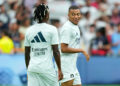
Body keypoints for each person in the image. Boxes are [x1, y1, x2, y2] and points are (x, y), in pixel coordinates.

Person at [24, 4, 63, 86]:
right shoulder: (52, 29)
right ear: (46, 15)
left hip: (32, 68)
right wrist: (59, 69)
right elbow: (56, 51)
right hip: (47, 69)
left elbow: (27, 53)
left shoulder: (29, 30)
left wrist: (28, 70)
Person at [60, 5, 90, 86]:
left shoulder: (75, 26)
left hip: (72, 65)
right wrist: (82, 50)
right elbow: (63, 48)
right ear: (68, 15)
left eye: (78, 14)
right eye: (73, 14)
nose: (76, 16)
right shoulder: (67, 28)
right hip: (65, 66)